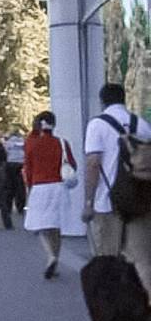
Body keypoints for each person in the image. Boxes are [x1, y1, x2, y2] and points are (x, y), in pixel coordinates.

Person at [82, 83, 151, 298]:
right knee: (142, 259)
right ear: (124, 99)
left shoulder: (97, 125)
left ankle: (115, 314)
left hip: (107, 201)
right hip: (140, 200)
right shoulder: (142, 125)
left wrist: (88, 202)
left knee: (108, 260)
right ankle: (146, 309)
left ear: (102, 101)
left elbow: (93, 163)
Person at [24, 110, 75, 278]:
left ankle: (50, 256)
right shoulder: (62, 143)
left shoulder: (32, 143)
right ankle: (56, 258)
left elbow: (28, 169)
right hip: (59, 187)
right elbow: (72, 165)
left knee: (39, 226)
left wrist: (28, 188)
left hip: (39, 187)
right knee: (55, 226)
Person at [3, 128, 26, 215]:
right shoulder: (23, 142)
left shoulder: (8, 142)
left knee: (9, 186)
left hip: (10, 165)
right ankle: (20, 206)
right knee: (20, 186)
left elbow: (5, 153)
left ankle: (8, 206)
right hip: (20, 165)